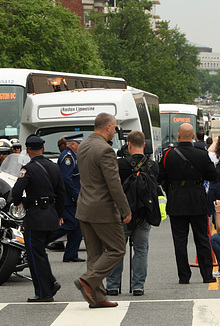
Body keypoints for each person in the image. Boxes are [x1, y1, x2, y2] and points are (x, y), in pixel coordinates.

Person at [74, 113, 132, 309]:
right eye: (114, 127)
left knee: (94, 253)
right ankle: (87, 281)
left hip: (84, 207)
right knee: (117, 248)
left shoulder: (83, 146)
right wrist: (125, 209)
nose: (115, 131)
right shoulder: (105, 150)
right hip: (103, 208)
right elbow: (113, 184)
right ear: (107, 127)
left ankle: (97, 297)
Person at [158, 123, 218, 285]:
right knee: (202, 239)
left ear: (178, 136)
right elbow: (213, 176)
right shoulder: (201, 154)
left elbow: (159, 176)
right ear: (192, 136)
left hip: (176, 200)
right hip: (197, 200)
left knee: (179, 241)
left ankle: (184, 276)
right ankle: (207, 275)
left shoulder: (168, 155)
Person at [12, 135, 65, 302]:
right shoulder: (54, 167)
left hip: (35, 217)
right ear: (42, 148)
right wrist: (60, 214)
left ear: (27, 150)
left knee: (34, 254)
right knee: (40, 252)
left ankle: (43, 292)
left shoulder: (27, 169)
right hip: (51, 215)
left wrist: (18, 202)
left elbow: (16, 192)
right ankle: (50, 282)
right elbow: (62, 192)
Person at [106, 131, 159, 296]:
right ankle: (138, 286)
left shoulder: (119, 164)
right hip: (144, 213)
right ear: (144, 144)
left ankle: (113, 285)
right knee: (141, 250)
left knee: (117, 250)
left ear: (128, 144)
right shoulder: (153, 166)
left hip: (122, 213)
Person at [47, 134, 85, 262]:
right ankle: (43, 241)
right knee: (70, 224)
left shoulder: (74, 156)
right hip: (69, 199)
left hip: (73, 198)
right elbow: (65, 179)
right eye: (79, 144)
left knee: (78, 226)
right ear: (73, 144)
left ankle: (71, 254)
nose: (81, 146)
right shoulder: (67, 157)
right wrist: (75, 195)